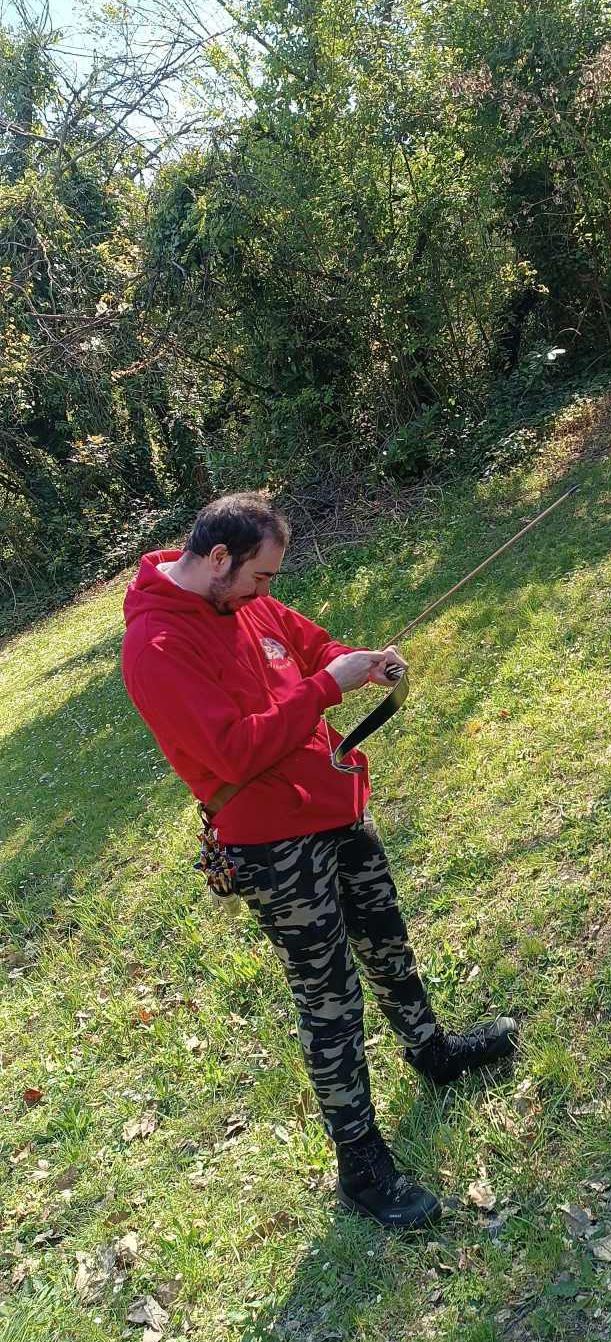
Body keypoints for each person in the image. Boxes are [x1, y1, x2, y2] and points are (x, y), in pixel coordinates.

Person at [120, 491, 516, 1230]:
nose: (266, 591)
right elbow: (233, 752)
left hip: (335, 805)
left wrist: (354, 665)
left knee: (388, 944)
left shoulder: (247, 601)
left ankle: (432, 1053)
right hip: (270, 844)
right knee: (329, 997)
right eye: (260, 577)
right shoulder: (156, 645)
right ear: (217, 558)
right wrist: (327, 688)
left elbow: (312, 647)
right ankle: (361, 1164)